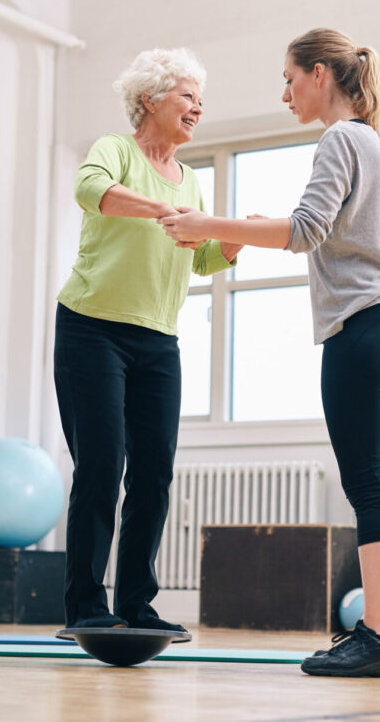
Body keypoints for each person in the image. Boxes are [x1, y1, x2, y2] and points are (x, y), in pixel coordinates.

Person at [159, 28, 380, 677]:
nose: (284, 93)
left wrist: (208, 224)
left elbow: (305, 231)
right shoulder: (372, 144)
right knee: (372, 481)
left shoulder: (341, 138)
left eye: (290, 78)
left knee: (367, 484)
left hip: (361, 327)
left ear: (322, 73)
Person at [55, 48, 241, 635]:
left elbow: (201, 257)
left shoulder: (193, 180)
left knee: (154, 472)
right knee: (101, 466)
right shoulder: (116, 150)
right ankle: (86, 605)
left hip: (158, 340)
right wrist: (163, 210)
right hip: (92, 329)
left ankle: (137, 603)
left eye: (199, 97)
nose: (198, 106)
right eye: (187, 94)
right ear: (150, 100)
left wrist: (232, 241)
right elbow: (92, 192)